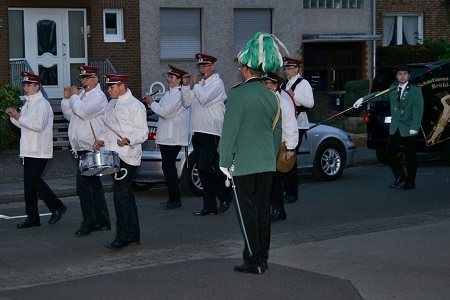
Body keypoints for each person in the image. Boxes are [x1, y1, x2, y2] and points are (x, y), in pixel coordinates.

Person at [220, 32, 284, 274]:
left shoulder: (237, 94)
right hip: (267, 163)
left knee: (248, 214)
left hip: (244, 164)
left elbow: (230, 133)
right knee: (263, 213)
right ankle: (262, 256)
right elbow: (276, 133)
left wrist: (225, 161)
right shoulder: (272, 96)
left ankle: (253, 260)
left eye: (240, 67)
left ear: (246, 69)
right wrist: (270, 156)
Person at [93, 73, 149, 249]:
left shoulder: (136, 106)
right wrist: (100, 139)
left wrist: (128, 139)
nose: (108, 90)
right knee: (125, 196)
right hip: (112, 155)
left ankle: (122, 236)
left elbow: (143, 132)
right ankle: (133, 234)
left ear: (121, 86)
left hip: (127, 156)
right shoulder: (111, 104)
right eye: (108, 87)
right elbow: (105, 127)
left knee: (120, 195)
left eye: (111, 87)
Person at [5, 72, 67, 228]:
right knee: (29, 184)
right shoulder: (28, 103)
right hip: (28, 149)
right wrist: (14, 117)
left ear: (37, 86)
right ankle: (32, 217)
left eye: (29, 85)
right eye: (25, 85)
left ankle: (57, 205)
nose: (26, 88)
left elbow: (38, 126)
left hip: (39, 149)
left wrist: (19, 117)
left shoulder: (42, 104)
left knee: (34, 180)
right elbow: (24, 124)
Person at [353, 64, 424, 189]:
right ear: (397, 76)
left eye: (405, 74)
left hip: (409, 127)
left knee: (410, 156)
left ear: (408, 76)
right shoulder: (393, 88)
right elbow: (378, 95)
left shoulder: (415, 90)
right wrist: (363, 99)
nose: (402, 76)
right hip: (396, 127)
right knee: (389, 152)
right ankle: (400, 176)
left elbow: (418, 110)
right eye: (400, 74)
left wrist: (415, 126)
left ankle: (410, 181)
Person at [61, 65, 111, 236]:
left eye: (87, 78)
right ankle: (102, 220)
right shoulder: (82, 95)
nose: (83, 81)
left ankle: (89, 222)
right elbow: (70, 115)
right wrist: (67, 99)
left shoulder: (98, 97)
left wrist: (74, 97)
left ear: (95, 80)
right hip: (81, 146)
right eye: (82, 78)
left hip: (91, 146)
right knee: (93, 185)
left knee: (84, 186)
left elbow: (81, 112)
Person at [181, 53, 232, 216]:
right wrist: (185, 86)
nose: (202, 70)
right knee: (204, 170)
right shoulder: (199, 84)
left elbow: (203, 99)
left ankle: (225, 194)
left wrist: (195, 85)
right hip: (198, 130)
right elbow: (186, 102)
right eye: (200, 67)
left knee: (203, 167)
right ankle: (209, 206)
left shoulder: (217, 83)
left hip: (211, 130)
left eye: (205, 66)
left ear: (212, 67)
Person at [144, 65, 189, 210]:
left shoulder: (179, 95)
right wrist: (151, 104)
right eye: (169, 77)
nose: (169, 79)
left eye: (172, 77)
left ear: (179, 80)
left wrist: (152, 103)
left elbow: (164, 112)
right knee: (167, 167)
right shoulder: (169, 94)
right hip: (166, 136)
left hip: (173, 137)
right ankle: (173, 198)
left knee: (169, 167)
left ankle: (175, 199)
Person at [261, 72, 298, 222]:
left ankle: (278, 209)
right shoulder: (263, 101)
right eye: (263, 83)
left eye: (268, 83)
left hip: (279, 144)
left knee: (274, 179)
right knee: (267, 179)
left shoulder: (284, 102)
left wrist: (290, 148)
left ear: (276, 85)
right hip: (265, 145)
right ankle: (273, 208)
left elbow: (290, 125)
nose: (265, 86)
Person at [281, 57, 315, 203]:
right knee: (282, 158)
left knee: (291, 158)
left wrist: (295, 96)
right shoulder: (284, 84)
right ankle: (285, 189)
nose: (286, 71)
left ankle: (292, 192)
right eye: (285, 69)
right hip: (286, 125)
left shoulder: (303, 83)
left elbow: (310, 103)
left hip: (299, 124)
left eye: (289, 68)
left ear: (296, 69)